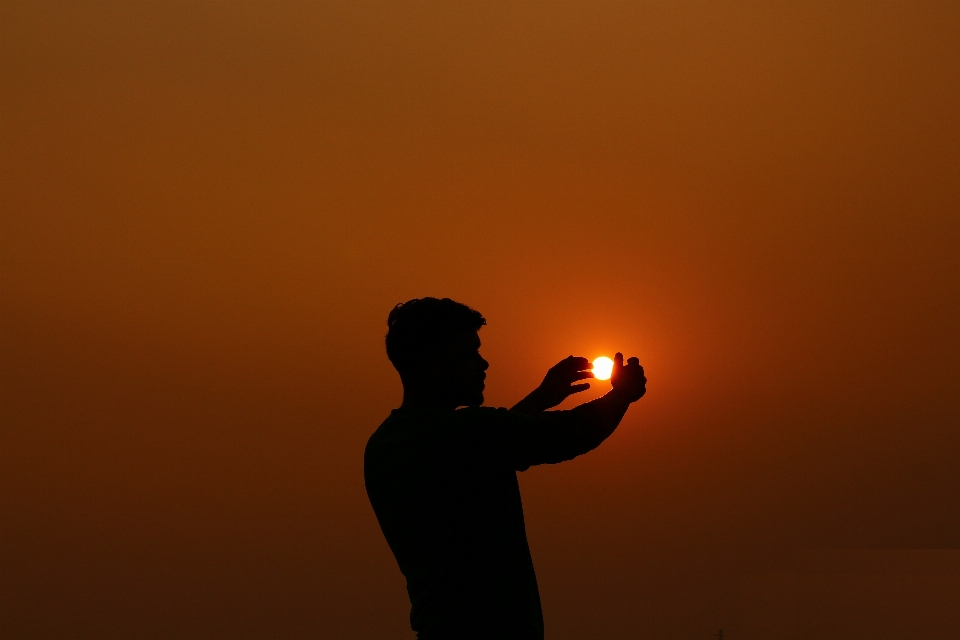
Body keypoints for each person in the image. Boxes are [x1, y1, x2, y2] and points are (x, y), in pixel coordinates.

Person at [364, 297, 647, 640]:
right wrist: (622, 395)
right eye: (468, 353)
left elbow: (487, 450)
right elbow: (569, 434)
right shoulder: (465, 432)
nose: (482, 364)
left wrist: (542, 397)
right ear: (432, 362)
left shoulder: (386, 445)